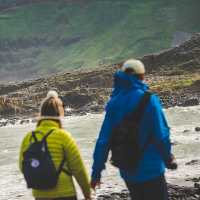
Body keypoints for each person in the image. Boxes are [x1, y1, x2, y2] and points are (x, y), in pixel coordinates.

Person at [91, 59, 177, 200]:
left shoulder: (113, 103)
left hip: (128, 171)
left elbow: (103, 141)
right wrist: (168, 158)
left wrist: (96, 173)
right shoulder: (149, 100)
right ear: (141, 76)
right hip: (152, 168)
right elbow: (161, 134)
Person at [19, 91, 91, 200]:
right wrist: (87, 194)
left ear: (41, 113)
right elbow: (78, 169)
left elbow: (22, 165)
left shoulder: (28, 137)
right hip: (65, 193)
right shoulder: (63, 136)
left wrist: (39, 176)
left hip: (40, 195)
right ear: (59, 113)